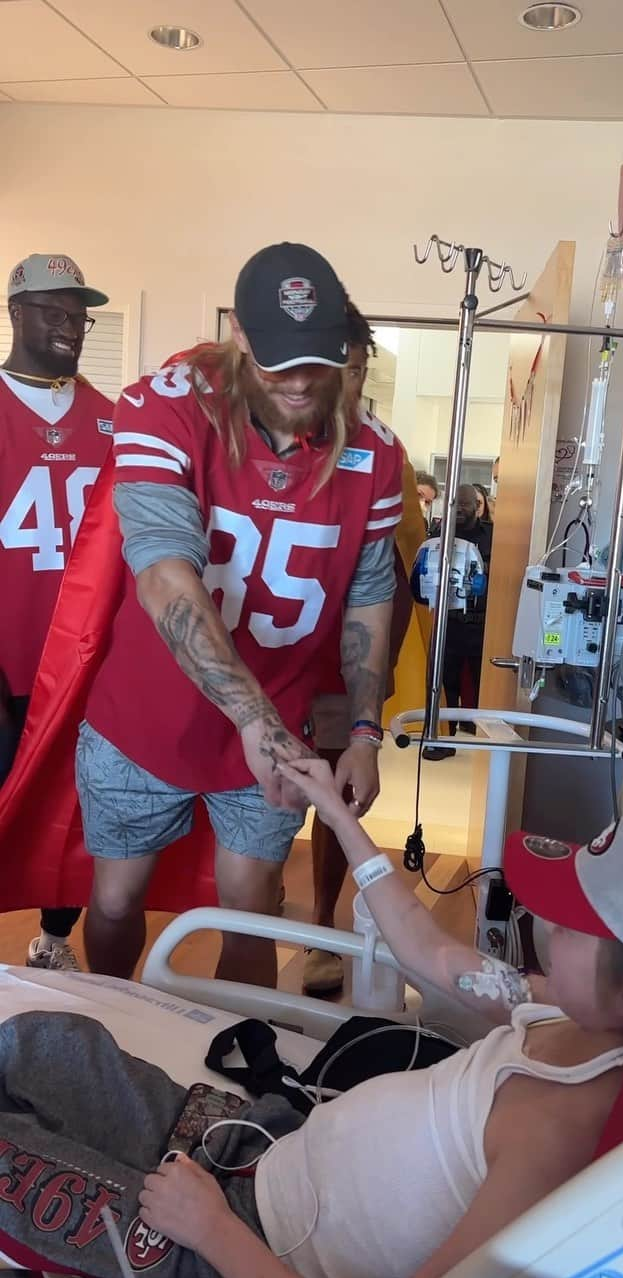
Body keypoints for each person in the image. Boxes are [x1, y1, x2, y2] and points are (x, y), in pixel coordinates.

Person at [134, 759, 623, 1278]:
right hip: (272, 1153)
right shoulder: (560, 1008)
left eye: (569, 927)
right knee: (59, 1043)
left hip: (250, 1241)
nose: (546, 926)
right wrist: (338, 816)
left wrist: (213, 1230)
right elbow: (429, 950)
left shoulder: (555, 1132)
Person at [77, 243, 404, 988]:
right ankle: (111, 1015)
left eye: (318, 360)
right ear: (240, 340)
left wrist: (362, 732)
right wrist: (250, 718)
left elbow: (369, 595)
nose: (299, 382)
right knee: (118, 896)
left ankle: (234, 1059)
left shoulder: (374, 451)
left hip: (280, 716)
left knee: (249, 904)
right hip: (149, 713)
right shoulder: (162, 405)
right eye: (278, 361)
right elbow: (164, 573)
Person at [303, 303, 423, 996]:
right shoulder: (250, 442)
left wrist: (367, 701)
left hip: (337, 662)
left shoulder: (382, 455)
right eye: (336, 370)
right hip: (262, 657)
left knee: (335, 794)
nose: (348, 387)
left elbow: (400, 577)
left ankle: (320, 923)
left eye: (359, 371)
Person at [0, 253, 112, 970]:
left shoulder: (110, 418)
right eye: (55, 310)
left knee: (74, 807)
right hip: (6, 646)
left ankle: (54, 938)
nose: (71, 325)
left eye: (80, 314)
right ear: (15, 312)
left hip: (80, 652)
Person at [423, 482, 494, 761]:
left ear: (477, 506)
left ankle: (486, 745)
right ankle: (441, 739)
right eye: (456, 504)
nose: (460, 510)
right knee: (443, 684)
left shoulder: (493, 536)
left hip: (482, 624)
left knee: (484, 685)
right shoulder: (438, 535)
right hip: (448, 623)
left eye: (465, 504)